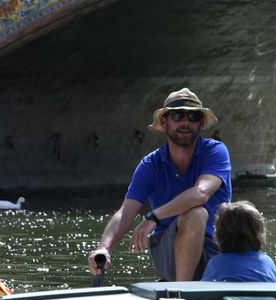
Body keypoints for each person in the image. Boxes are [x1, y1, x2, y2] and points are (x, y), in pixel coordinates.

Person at [87, 86, 232, 282]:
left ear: (200, 123)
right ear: (164, 122)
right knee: (196, 214)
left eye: (194, 117)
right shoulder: (150, 165)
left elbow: (201, 193)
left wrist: (153, 217)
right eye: (179, 115)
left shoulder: (216, 151)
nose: (186, 122)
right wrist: (103, 247)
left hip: (217, 250)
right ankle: (182, 293)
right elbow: (126, 212)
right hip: (168, 252)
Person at [201, 201, 276, 283]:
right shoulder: (267, 263)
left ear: (219, 235)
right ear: (259, 234)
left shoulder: (215, 264)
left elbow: (203, 289)